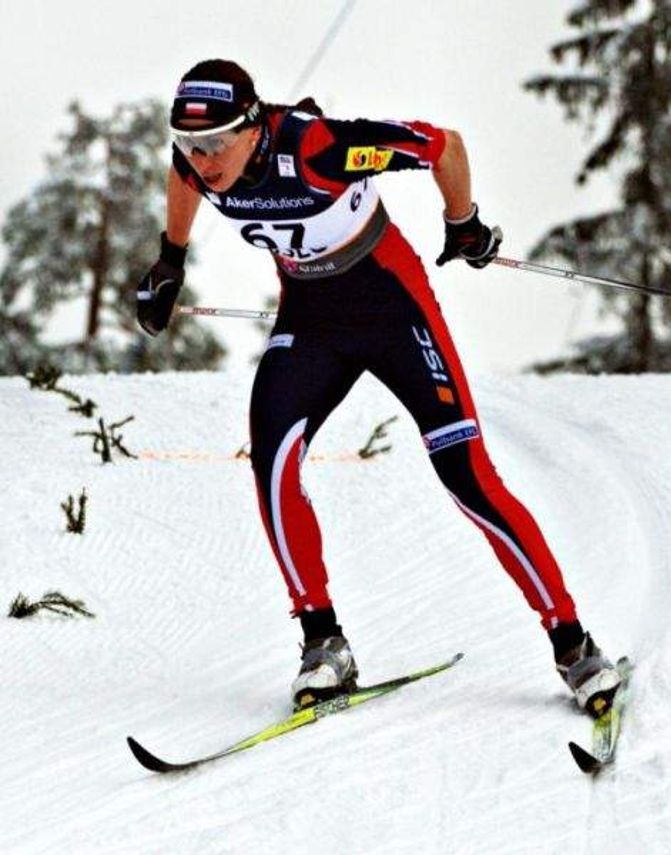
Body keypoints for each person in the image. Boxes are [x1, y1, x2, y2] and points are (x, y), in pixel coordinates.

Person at [137, 59, 621, 717]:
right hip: (311, 323)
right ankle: (322, 641)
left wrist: (465, 223)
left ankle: (573, 642)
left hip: (395, 311)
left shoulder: (320, 149)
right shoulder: (196, 159)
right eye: (193, 144)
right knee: (273, 462)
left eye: (217, 141)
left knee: (466, 475)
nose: (204, 159)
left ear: (252, 127)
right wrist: (171, 259)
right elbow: (180, 173)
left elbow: (441, 144)